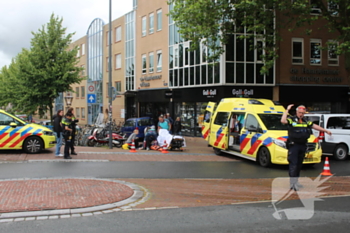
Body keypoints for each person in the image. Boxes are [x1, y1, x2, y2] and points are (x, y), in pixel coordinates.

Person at [281, 104, 331, 191]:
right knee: (293, 164)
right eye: (300, 113)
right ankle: (292, 184)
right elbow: (283, 121)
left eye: (303, 113)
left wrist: (325, 130)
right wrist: (287, 110)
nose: (301, 114)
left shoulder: (306, 121)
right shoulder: (292, 120)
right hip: (294, 145)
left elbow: (314, 126)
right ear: (296, 112)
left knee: (299, 165)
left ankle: (296, 182)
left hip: (302, 145)